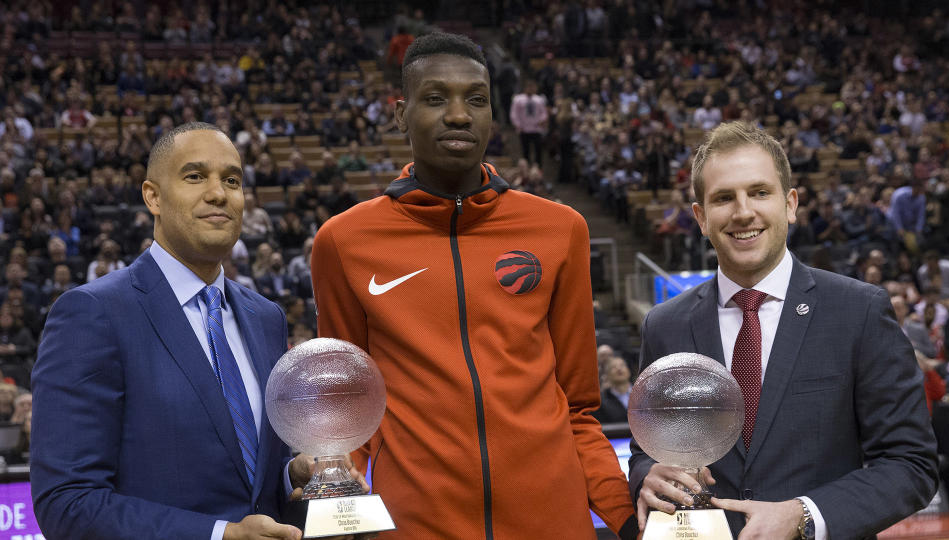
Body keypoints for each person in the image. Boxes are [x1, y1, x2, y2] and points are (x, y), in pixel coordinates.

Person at [311, 32, 639, 539]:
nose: (459, 115)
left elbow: (577, 409)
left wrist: (630, 515)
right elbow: (350, 410)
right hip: (417, 526)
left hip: (551, 522)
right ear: (401, 113)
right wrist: (333, 494)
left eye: (477, 100)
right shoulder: (344, 242)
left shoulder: (560, 229)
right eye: (436, 98)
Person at [628, 121, 937, 539]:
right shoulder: (665, 325)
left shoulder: (859, 311)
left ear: (789, 204)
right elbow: (646, 451)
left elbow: (910, 464)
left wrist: (803, 515)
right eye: (724, 198)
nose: (743, 212)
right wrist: (649, 474)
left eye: (759, 192)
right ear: (700, 217)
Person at [31, 123, 317, 540]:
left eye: (232, 180)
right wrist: (221, 535)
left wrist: (293, 477)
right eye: (195, 176)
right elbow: (68, 502)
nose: (219, 193)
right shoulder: (92, 313)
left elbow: (249, 478)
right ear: (153, 196)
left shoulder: (266, 317)